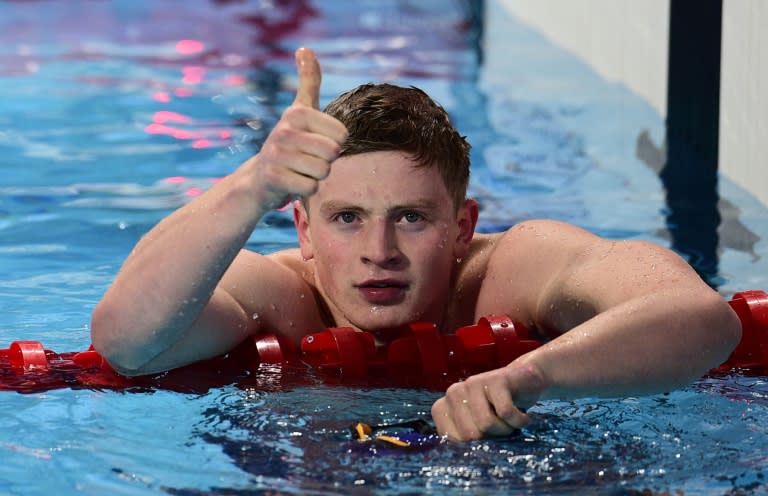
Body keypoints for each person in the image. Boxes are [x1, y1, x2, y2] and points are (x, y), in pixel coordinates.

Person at [91, 48, 741, 441]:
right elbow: (126, 343)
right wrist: (251, 185)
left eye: (410, 217)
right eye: (346, 217)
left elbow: (703, 320)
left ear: (462, 228)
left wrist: (534, 374)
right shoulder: (277, 294)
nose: (380, 250)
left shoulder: (517, 267)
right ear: (304, 230)